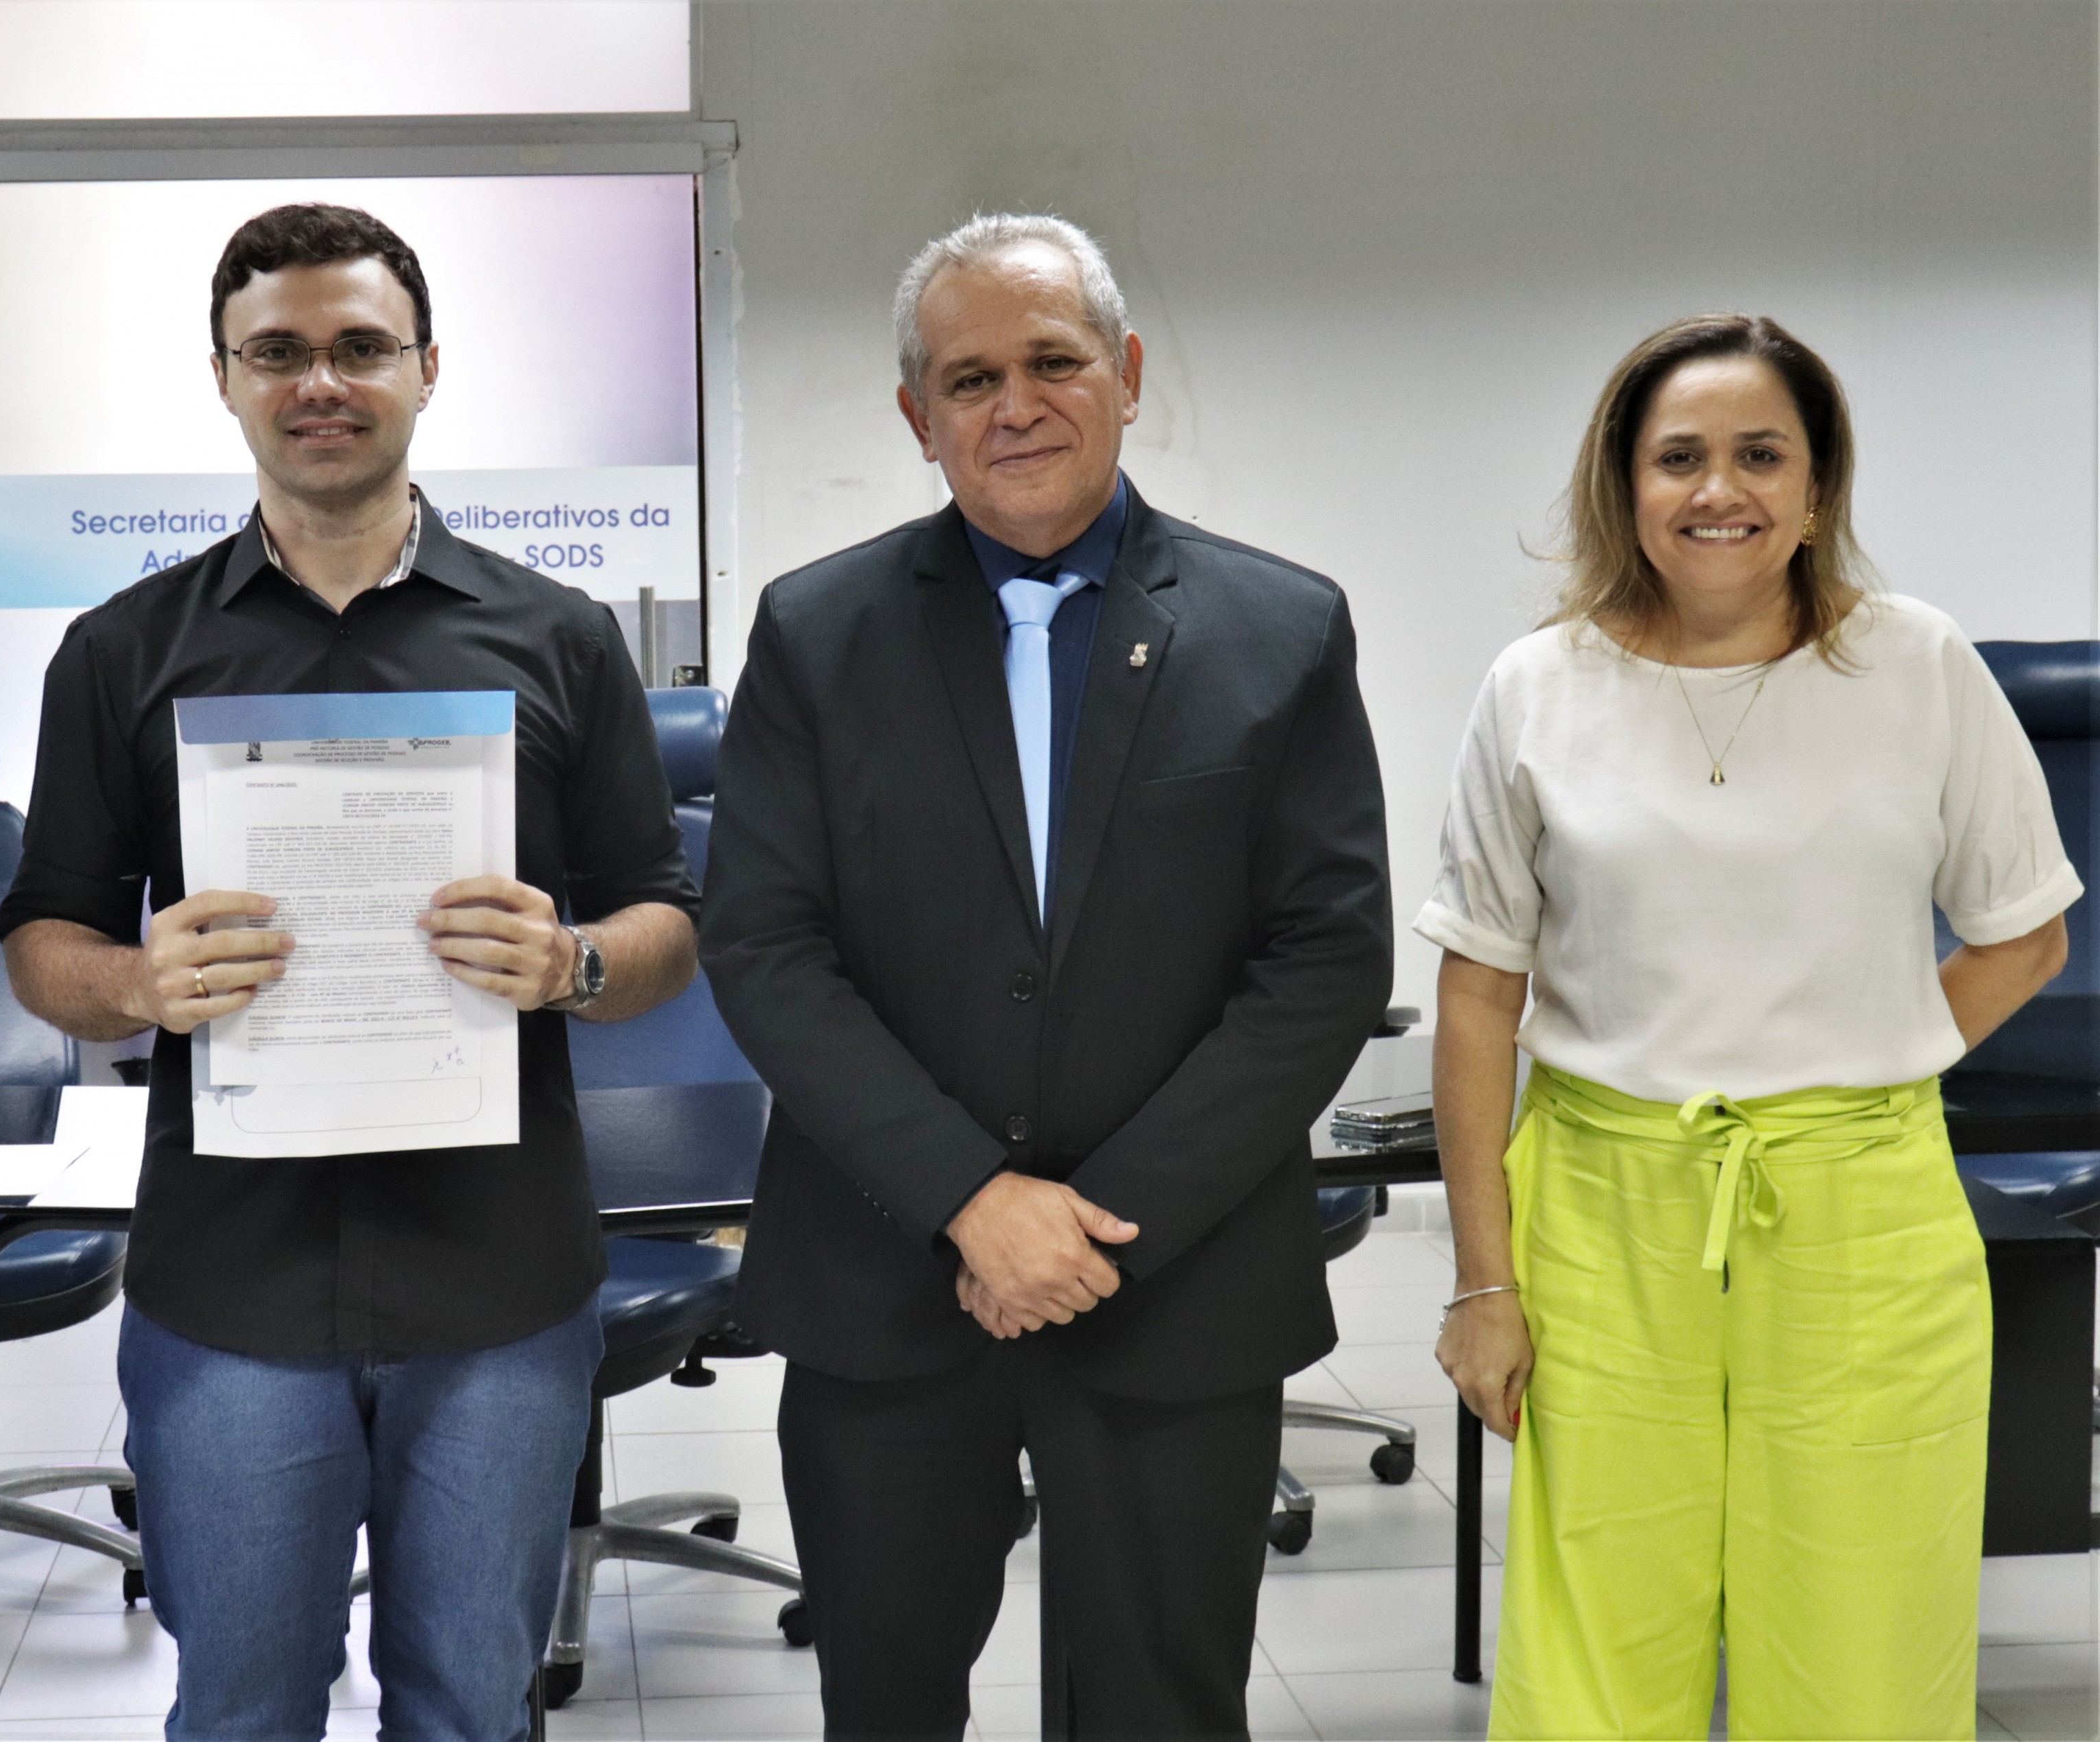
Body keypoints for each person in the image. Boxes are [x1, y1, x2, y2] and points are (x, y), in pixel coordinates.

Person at [0, 203, 699, 1740]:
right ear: (225, 378)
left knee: (471, 1710)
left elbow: (665, 921)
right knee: (244, 1711)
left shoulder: (561, 639)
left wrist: (574, 960)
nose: (320, 381)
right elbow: (42, 940)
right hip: (231, 1289)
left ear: (427, 368)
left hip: (500, 1282)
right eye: (278, 352)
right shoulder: (122, 651)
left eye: (361, 346)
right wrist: (136, 987)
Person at [700, 213, 1395, 1739]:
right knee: (885, 1707)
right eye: (968, 380)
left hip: (1176, 1286)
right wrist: (971, 1199)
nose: (1013, 405)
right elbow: (764, 945)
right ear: (917, 417)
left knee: (1161, 1710)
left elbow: (1326, 957)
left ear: (1126, 373)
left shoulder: (1279, 630)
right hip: (888, 1284)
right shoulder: (816, 634)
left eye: (1052, 362)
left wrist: (1090, 1228)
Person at [1422, 313, 2079, 1740]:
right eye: (1678, 458)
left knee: (1861, 1636)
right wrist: (1482, 1285)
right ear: (1624, 485)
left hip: (1859, 1215)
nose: (1717, 489)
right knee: (1601, 1645)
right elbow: (1478, 994)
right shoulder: (1535, 689)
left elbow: (2025, 933)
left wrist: (1862, 1059)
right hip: (1603, 1216)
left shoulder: (1914, 666)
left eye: (1759, 455)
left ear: (1817, 486)